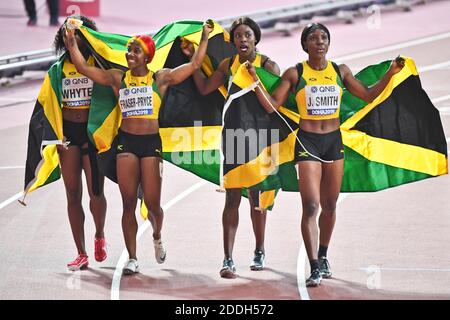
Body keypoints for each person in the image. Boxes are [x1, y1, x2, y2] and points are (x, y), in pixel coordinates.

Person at [247, 23, 405, 286]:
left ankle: (323, 255)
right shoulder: (295, 73)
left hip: (333, 143)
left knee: (330, 206)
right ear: (304, 44)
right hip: (307, 143)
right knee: (310, 205)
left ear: (328, 44)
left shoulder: (339, 71)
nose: (319, 41)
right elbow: (272, 106)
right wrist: (254, 80)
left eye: (324, 38)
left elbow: (367, 95)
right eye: (313, 38)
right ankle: (313, 267)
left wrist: (390, 73)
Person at [64, 19, 214, 275]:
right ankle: (132, 257)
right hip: (127, 144)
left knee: (154, 205)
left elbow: (195, 65)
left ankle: (156, 235)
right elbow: (82, 67)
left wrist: (205, 36)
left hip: (151, 145)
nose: (129, 54)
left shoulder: (161, 78)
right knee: (128, 203)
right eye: (128, 50)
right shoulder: (117, 78)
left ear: (147, 56)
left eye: (135, 50)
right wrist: (71, 41)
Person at [183, 17, 281, 278]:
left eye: (247, 35)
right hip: (235, 137)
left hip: (262, 138)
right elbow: (204, 88)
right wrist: (194, 59)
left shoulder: (268, 65)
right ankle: (228, 259)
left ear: (256, 39)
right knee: (232, 198)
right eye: (237, 36)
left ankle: (259, 250)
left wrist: (255, 77)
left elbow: (275, 106)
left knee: (258, 198)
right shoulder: (228, 65)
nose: (242, 40)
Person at [51, 16, 107, 271]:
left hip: (92, 134)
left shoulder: (98, 64)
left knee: (96, 193)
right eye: (68, 33)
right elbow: (49, 106)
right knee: (72, 195)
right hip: (68, 137)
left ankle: (99, 235)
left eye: (77, 32)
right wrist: (56, 134)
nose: (72, 36)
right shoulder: (57, 70)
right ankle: (81, 252)